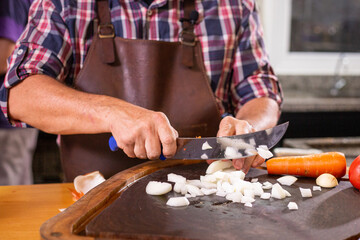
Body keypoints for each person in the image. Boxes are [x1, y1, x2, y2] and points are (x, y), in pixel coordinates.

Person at [0, 0, 282, 182]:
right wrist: (113, 113)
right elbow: (20, 93)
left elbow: (261, 91)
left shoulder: (234, 7)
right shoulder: (65, 4)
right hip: (89, 201)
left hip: (206, 201)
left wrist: (249, 131)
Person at [0, 0, 38, 185]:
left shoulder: (11, 2)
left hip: (7, 121)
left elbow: (3, 55)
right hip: (14, 119)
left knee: (8, 193)